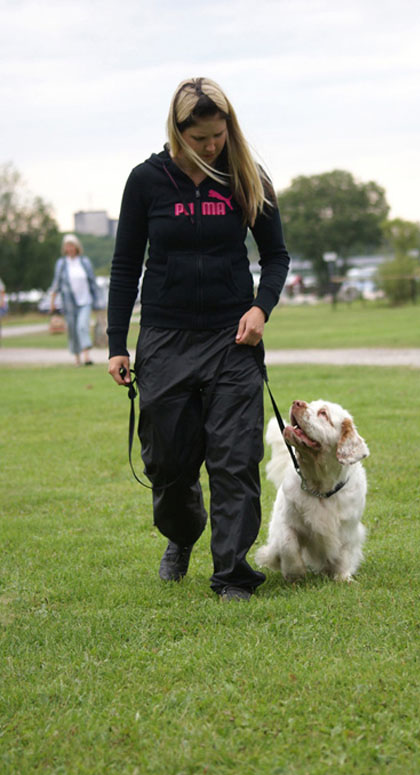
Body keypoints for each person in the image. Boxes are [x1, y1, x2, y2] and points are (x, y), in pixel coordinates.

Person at [107, 77, 290, 602]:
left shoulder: (245, 176)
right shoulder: (146, 181)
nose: (213, 146)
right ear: (178, 130)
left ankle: (232, 573)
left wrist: (261, 308)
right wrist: (117, 341)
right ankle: (182, 535)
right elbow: (125, 266)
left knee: (234, 459)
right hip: (164, 337)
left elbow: (276, 256)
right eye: (202, 138)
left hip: (233, 339)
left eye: (220, 134)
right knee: (168, 461)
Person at [50, 234, 98, 365]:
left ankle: (87, 357)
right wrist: (52, 302)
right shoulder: (61, 264)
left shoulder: (84, 262)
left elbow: (92, 282)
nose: (70, 248)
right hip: (69, 303)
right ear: (64, 248)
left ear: (77, 247)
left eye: (72, 245)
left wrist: (98, 301)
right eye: (67, 246)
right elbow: (56, 284)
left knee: (82, 326)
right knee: (72, 329)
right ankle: (77, 358)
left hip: (85, 300)